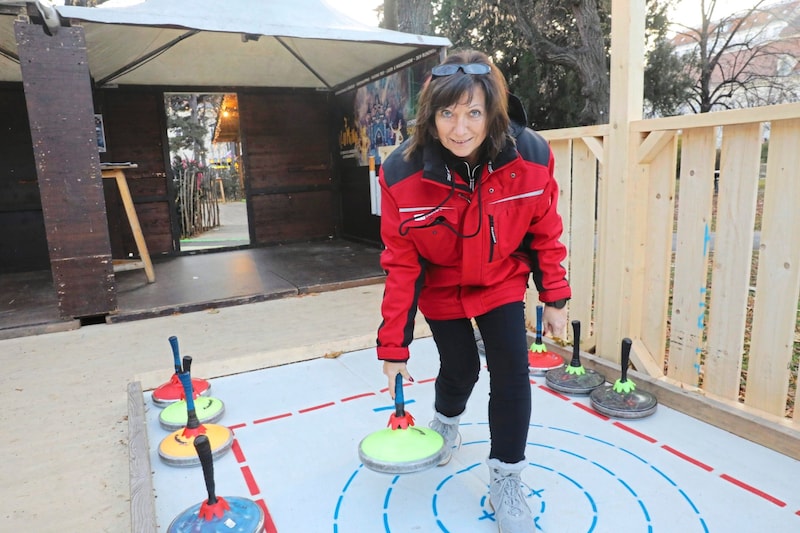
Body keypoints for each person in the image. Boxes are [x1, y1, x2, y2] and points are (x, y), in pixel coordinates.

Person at [375, 49, 571, 533]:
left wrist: (555, 297)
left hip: (500, 279)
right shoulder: (401, 172)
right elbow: (401, 263)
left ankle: (506, 477)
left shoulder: (531, 156)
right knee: (460, 365)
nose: (460, 129)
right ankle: (446, 421)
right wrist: (394, 345)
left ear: (493, 113)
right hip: (440, 286)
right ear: (431, 115)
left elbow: (545, 232)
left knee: (511, 371)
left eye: (473, 113)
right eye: (447, 113)